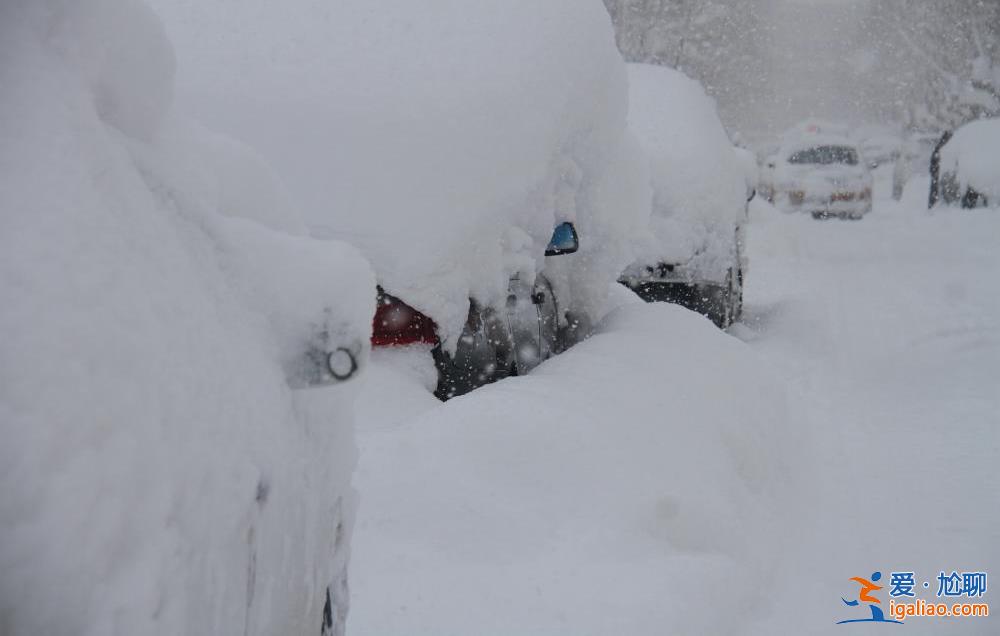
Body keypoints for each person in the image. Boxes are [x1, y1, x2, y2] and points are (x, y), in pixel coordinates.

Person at [928, 130, 953, 208]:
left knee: (934, 190)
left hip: (936, 173)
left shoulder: (939, 147)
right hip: (937, 172)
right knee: (936, 190)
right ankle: (934, 204)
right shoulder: (944, 148)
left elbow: (933, 161)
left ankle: (932, 204)